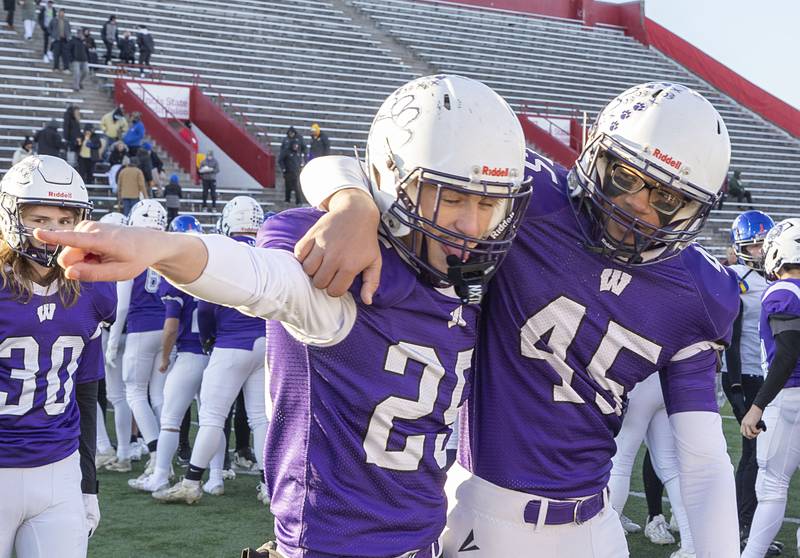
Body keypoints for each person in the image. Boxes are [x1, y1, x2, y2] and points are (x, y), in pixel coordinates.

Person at [35, 75, 532, 558]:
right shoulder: (345, 280)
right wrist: (161, 248)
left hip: (425, 540)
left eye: (489, 203)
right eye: (451, 198)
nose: (471, 226)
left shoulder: (471, 280)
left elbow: (332, 168)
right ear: (390, 182)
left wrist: (351, 197)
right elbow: (259, 276)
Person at [295, 82, 741, 557]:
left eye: (667, 199)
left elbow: (704, 461)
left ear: (695, 210)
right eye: (625, 176)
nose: (637, 204)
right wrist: (352, 200)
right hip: (475, 505)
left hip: (592, 525)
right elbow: (357, 164)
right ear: (597, 153)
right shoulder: (528, 197)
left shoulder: (702, 292)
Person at [0, 155, 116, 556]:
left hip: (59, 471)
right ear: (12, 216)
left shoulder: (93, 289)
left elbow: (85, 392)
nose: (53, 232)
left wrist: (88, 485)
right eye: (40, 219)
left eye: (65, 221)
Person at [152, 200, 272, 504]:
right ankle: (269, 484)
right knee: (260, 418)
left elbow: (205, 306)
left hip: (232, 343)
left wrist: (208, 338)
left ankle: (191, 482)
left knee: (212, 416)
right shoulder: (267, 250)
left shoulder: (225, 249)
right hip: (264, 342)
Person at [129, 215, 229, 494]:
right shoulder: (214, 269)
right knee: (213, 417)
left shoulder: (175, 275)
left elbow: (172, 324)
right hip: (214, 353)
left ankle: (160, 476)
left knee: (171, 420)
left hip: (189, 354)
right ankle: (216, 477)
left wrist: (163, 357)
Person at [739, 218, 800, 558]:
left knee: (773, 486)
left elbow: (787, 354)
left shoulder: (782, 291)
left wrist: (758, 404)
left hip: (788, 396)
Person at [104, 200, 168, 480]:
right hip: (166, 328)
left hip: (141, 329)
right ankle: (165, 455)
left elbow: (121, 305)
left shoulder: (132, 252)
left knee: (134, 393)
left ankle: (155, 454)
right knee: (159, 398)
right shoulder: (168, 250)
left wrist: (112, 342)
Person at [723, 210, 776, 549]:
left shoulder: (774, 278)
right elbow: (730, 335)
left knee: (767, 457)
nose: (759, 251)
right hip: (744, 374)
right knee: (752, 454)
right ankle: (742, 528)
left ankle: (755, 529)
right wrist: (738, 387)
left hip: (771, 376)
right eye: (753, 245)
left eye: (763, 245)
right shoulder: (734, 278)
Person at [607, 372, 695, 557]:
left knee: (621, 462)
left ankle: (605, 539)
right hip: (667, 382)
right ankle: (690, 545)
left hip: (641, 380)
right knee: (670, 467)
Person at [278, 139, 303, 204]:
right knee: (288, 187)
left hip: (296, 173)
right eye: (294, 145)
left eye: (297, 145)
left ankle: (298, 201)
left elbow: (300, 161)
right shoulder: (286, 151)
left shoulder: (298, 153)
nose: (296, 146)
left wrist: (300, 167)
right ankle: (287, 200)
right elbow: (280, 160)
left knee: (297, 187)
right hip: (288, 172)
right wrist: (283, 168)